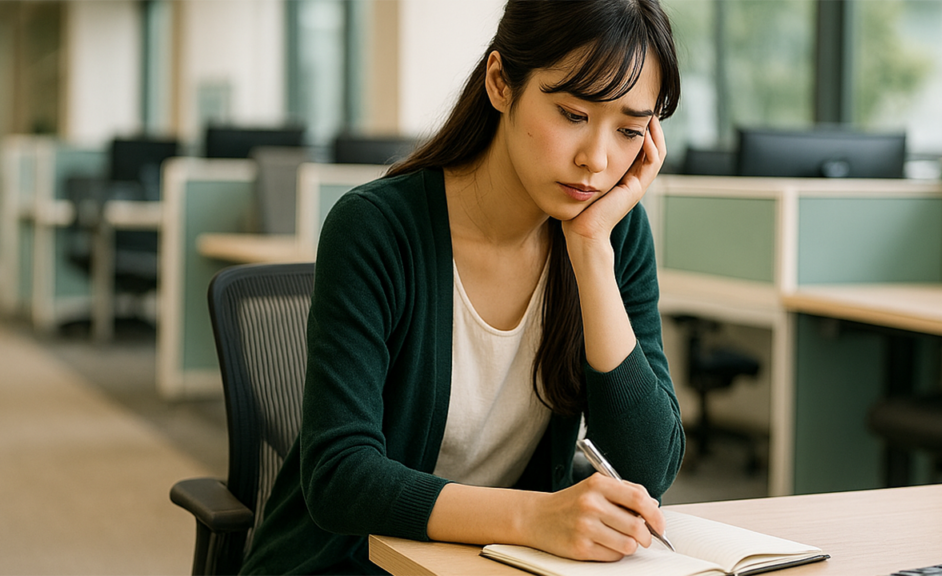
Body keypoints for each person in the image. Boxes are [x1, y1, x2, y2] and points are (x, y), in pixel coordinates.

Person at [239, 0, 684, 574]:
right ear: (501, 83)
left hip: (496, 564)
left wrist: (592, 252)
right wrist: (533, 517)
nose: (596, 160)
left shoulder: (613, 233)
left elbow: (646, 469)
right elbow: (339, 474)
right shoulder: (376, 229)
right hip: (346, 562)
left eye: (628, 130)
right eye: (573, 114)